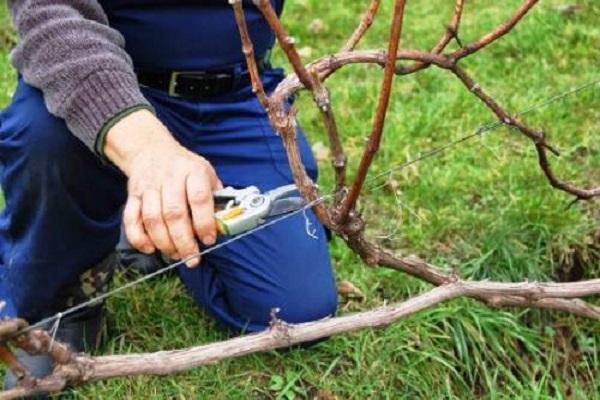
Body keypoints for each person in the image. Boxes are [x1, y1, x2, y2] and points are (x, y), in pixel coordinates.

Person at [0, 0, 337, 389]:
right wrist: (146, 149)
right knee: (45, 140)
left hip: (238, 97)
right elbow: (51, 17)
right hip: (100, 82)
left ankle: (152, 226)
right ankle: (62, 301)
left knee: (300, 313)